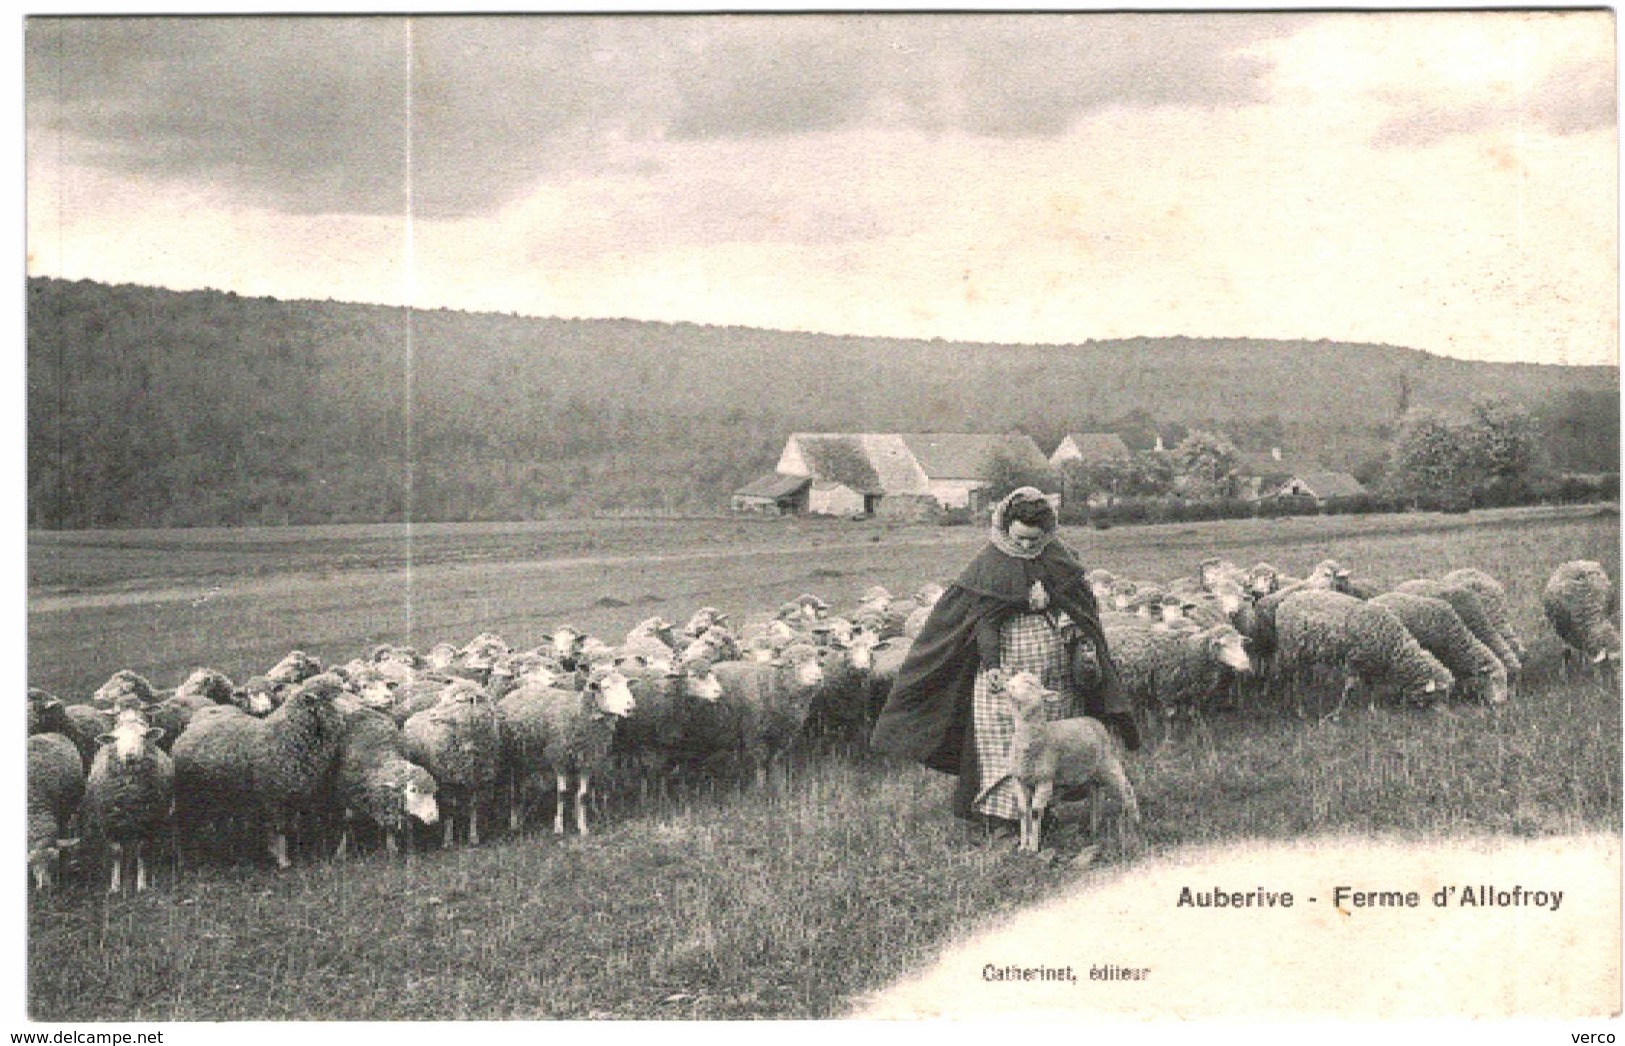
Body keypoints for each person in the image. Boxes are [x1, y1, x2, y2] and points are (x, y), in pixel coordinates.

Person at [869, 486, 1139, 838]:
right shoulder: (988, 564)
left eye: (1035, 539)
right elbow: (984, 620)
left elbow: (1079, 608)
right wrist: (993, 664)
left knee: (1051, 738)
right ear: (1005, 526)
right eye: (1021, 538)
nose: (1027, 547)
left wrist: (1059, 610)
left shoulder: (1059, 558)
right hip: (1004, 667)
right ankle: (1004, 819)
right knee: (1001, 735)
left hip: (1053, 671)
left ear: (1048, 532)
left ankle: (1047, 813)